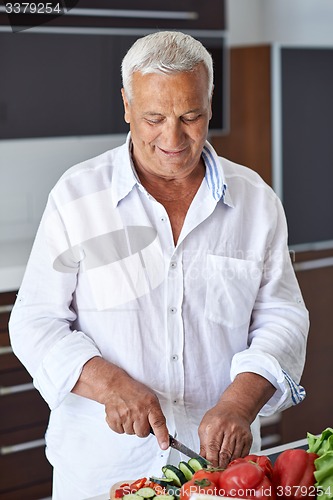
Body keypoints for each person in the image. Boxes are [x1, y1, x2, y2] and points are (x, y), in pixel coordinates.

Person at [9, 31, 309, 499]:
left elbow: (282, 317)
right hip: (100, 470)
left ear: (209, 107)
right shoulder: (77, 196)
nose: (173, 138)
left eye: (190, 116)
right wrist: (108, 383)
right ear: (126, 105)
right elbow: (35, 321)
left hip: (220, 472)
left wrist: (239, 402)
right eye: (153, 118)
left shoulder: (256, 201)